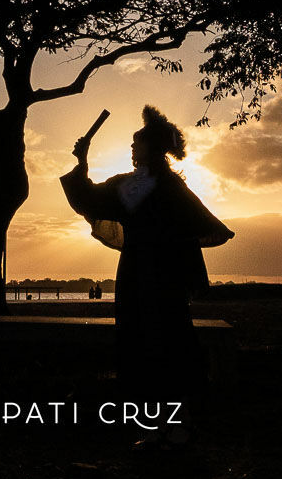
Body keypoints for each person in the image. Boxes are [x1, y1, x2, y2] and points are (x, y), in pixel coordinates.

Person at [62, 105, 234, 433]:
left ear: (149, 148)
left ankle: (161, 427)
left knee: (145, 341)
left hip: (144, 274)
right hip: (166, 276)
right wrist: (82, 163)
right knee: (171, 338)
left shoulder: (143, 184)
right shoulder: (166, 183)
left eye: (135, 143)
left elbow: (92, 200)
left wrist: (82, 163)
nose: (130, 148)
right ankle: (175, 423)